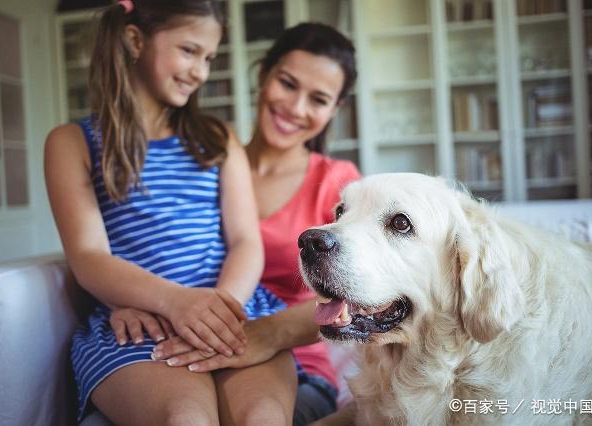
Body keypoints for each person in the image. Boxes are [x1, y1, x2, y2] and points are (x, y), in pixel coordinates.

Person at [44, 1, 297, 424]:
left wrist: (218, 313)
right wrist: (176, 303)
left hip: (233, 309)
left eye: (209, 57)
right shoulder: (71, 142)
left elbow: (245, 241)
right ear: (135, 40)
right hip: (141, 323)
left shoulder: (218, 138)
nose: (200, 71)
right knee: (186, 418)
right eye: (188, 50)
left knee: (263, 417)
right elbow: (89, 258)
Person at [148, 22, 362, 425]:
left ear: (335, 110)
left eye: (318, 99)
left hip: (295, 367)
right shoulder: (202, 164)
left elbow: (359, 294)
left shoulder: (339, 185)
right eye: (287, 83)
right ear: (263, 75)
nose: (296, 108)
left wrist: (264, 335)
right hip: (188, 348)